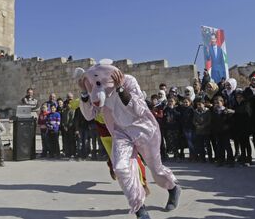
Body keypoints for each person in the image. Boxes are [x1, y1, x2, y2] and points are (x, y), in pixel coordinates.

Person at [77, 62, 180, 219]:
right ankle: (139, 208)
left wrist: (120, 90)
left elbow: (139, 109)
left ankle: (173, 188)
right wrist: (85, 93)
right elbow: (89, 114)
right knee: (120, 168)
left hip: (143, 129)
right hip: (120, 133)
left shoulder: (129, 81)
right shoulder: (96, 88)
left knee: (156, 169)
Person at [211, 95, 234, 167]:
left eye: (218, 102)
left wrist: (227, 126)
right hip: (218, 131)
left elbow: (230, 121)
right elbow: (213, 121)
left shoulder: (226, 111)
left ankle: (230, 160)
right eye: (215, 103)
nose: (217, 104)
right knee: (219, 146)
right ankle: (221, 160)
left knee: (227, 145)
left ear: (222, 102)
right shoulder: (214, 111)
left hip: (225, 131)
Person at [232, 89, 252, 165]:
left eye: (240, 97)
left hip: (246, 126)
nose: (239, 99)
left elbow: (247, 114)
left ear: (243, 97)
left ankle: (249, 158)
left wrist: (235, 112)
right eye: (237, 97)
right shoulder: (235, 105)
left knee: (247, 143)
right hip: (238, 127)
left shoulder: (246, 104)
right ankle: (243, 157)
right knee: (241, 143)